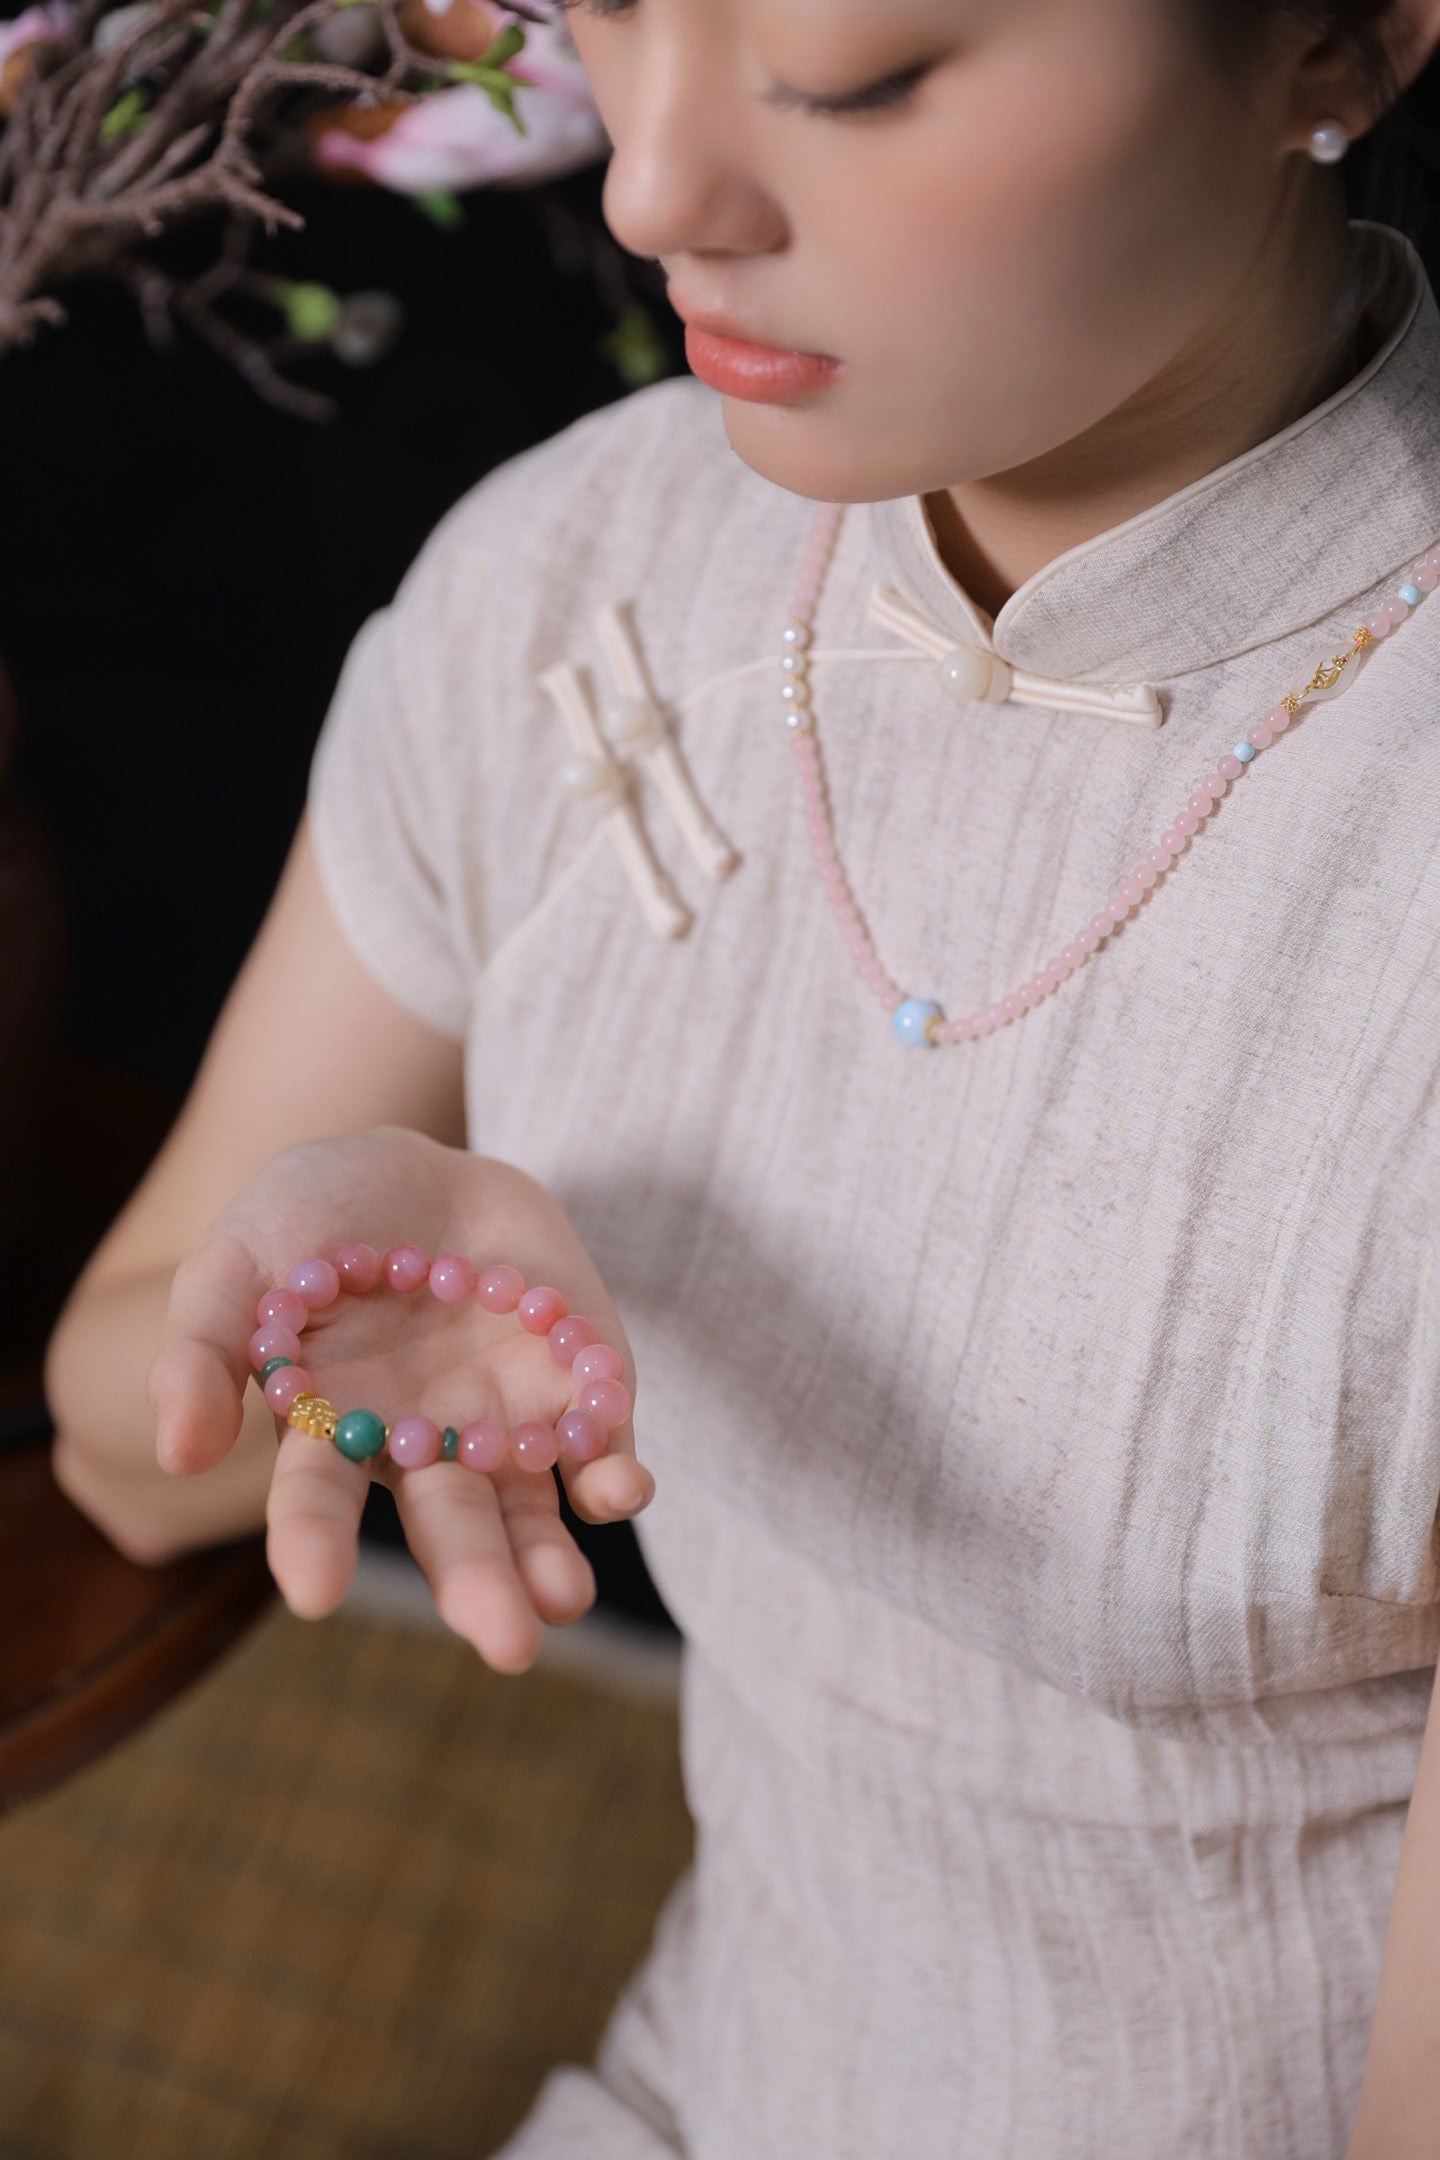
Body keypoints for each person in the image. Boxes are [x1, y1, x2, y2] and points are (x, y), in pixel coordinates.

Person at [42, 0, 1440, 2152]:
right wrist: (344, 1335)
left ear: (1337, 45)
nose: (650, 186)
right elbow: (124, 1445)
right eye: (611, 13)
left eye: (855, 71)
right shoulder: (581, 582)